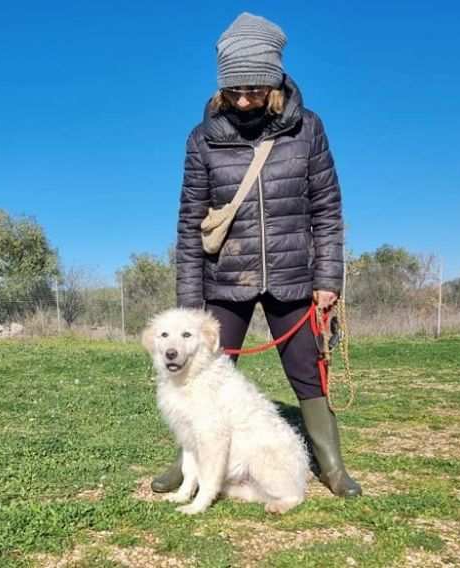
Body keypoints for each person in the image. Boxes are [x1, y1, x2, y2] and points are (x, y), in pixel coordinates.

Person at [152, 12, 361, 498]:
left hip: (295, 274)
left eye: (254, 89)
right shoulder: (202, 138)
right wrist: (189, 302)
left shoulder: (308, 129)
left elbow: (327, 208)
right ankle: (187, 466)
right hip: (224, 278)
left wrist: (328, 278)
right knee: (200, 371)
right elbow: (189, 223)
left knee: (308, 370)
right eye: (234, 90)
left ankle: (330, 464)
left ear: (274, 81)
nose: (243, 100)